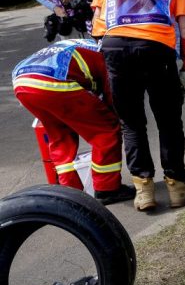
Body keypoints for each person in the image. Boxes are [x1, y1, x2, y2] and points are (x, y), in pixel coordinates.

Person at [91, 0, 185, 212]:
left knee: (131, 122)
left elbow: (96, 25)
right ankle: (176, 187)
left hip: (115, 47)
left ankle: (144, 190)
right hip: (156, 49)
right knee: (169, 121)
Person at [12, 39, 135, 205]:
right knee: (105, 129)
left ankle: (70, 193)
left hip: (22, 83)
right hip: (54, 80)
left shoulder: (81, 44)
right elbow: (111, 91)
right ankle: (107, 188)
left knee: (60, 136)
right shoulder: (109, 55)